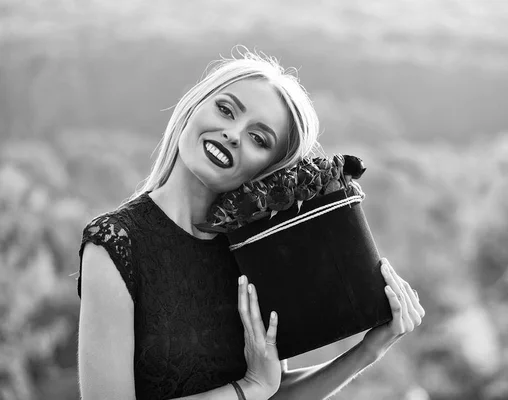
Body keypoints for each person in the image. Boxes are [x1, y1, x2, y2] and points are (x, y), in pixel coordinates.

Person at [77, 49, 425, 400]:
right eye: (226, 110)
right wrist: (248, 389)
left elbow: (272, 392)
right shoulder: (114, 243)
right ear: (194, 106)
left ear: (266, 168)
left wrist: (368, 351)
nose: (232, 134)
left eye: (259, 139)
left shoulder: (257, 248)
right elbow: (258, 390)